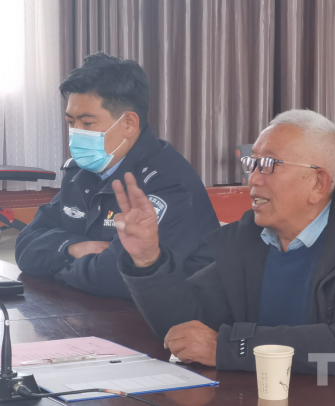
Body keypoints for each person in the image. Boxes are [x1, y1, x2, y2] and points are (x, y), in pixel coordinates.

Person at [113, 110, 335, 405]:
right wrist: (147, 260)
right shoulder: (254, 238)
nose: (253, 178)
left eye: (269, 165)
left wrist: (232, 348)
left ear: (318, 183)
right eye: (252, 163)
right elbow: (186, 326)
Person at [15, 52, 220, 299]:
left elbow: (116, 278)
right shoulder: (81, 172)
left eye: (87, 123)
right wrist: (73, 248)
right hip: (88, 308)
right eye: (71, 122)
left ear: (129, 124)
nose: (76, 133)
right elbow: (24, 248)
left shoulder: (168, 184)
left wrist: (57, 265)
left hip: (167, 317)